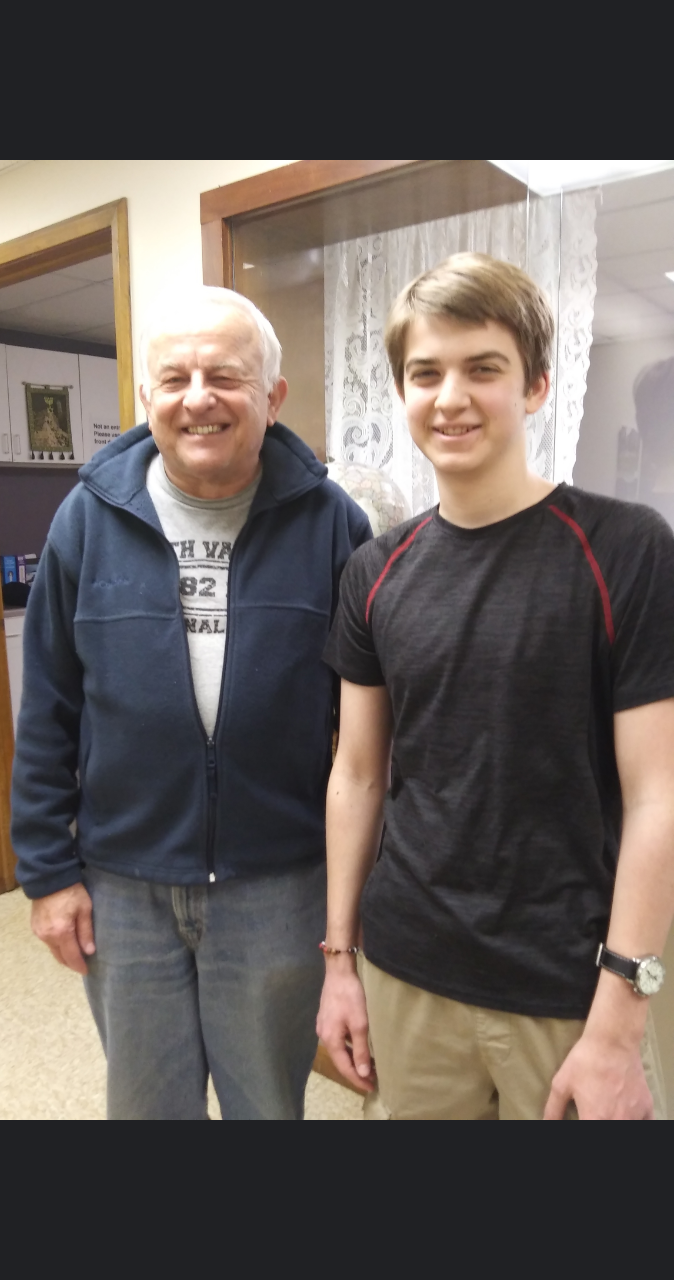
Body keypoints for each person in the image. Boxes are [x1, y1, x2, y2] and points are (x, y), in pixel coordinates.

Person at [317, 253, 674, 1120]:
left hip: (567, 985)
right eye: (425, 373)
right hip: (408, 968)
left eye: (483, 369)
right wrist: (339, 963)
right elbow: (358, 775)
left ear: (536, 385)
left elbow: (658, 795)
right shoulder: (374, 570)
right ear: (401, 391)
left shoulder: (626, 548)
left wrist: (621, 1017)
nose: (451, 398)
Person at [11, 286, 371, 1120]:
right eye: (174, 379)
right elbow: (49, 708)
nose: (198, 398)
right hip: (124, 884)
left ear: (272, 396)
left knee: (266, 1107)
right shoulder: (87, 519)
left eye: (225, 377)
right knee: (147, 1112)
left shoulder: (333, 525)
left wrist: (355, 909)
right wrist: (47, 873)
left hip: (277, 886)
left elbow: (364, 736)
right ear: (147, 396)